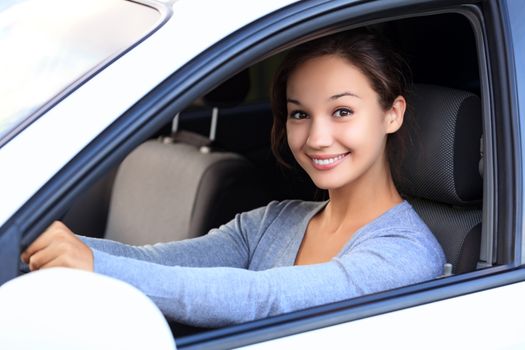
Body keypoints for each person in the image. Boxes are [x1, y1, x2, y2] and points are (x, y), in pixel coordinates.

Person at [20, 29, 445, 328]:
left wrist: (94, 266)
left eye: (342, 111)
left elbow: (262, 298)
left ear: (393, 113)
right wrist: (36, 243)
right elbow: (157, 262)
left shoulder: (404, 255)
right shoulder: (274, 222)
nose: (316, 138)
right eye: (299, 113)